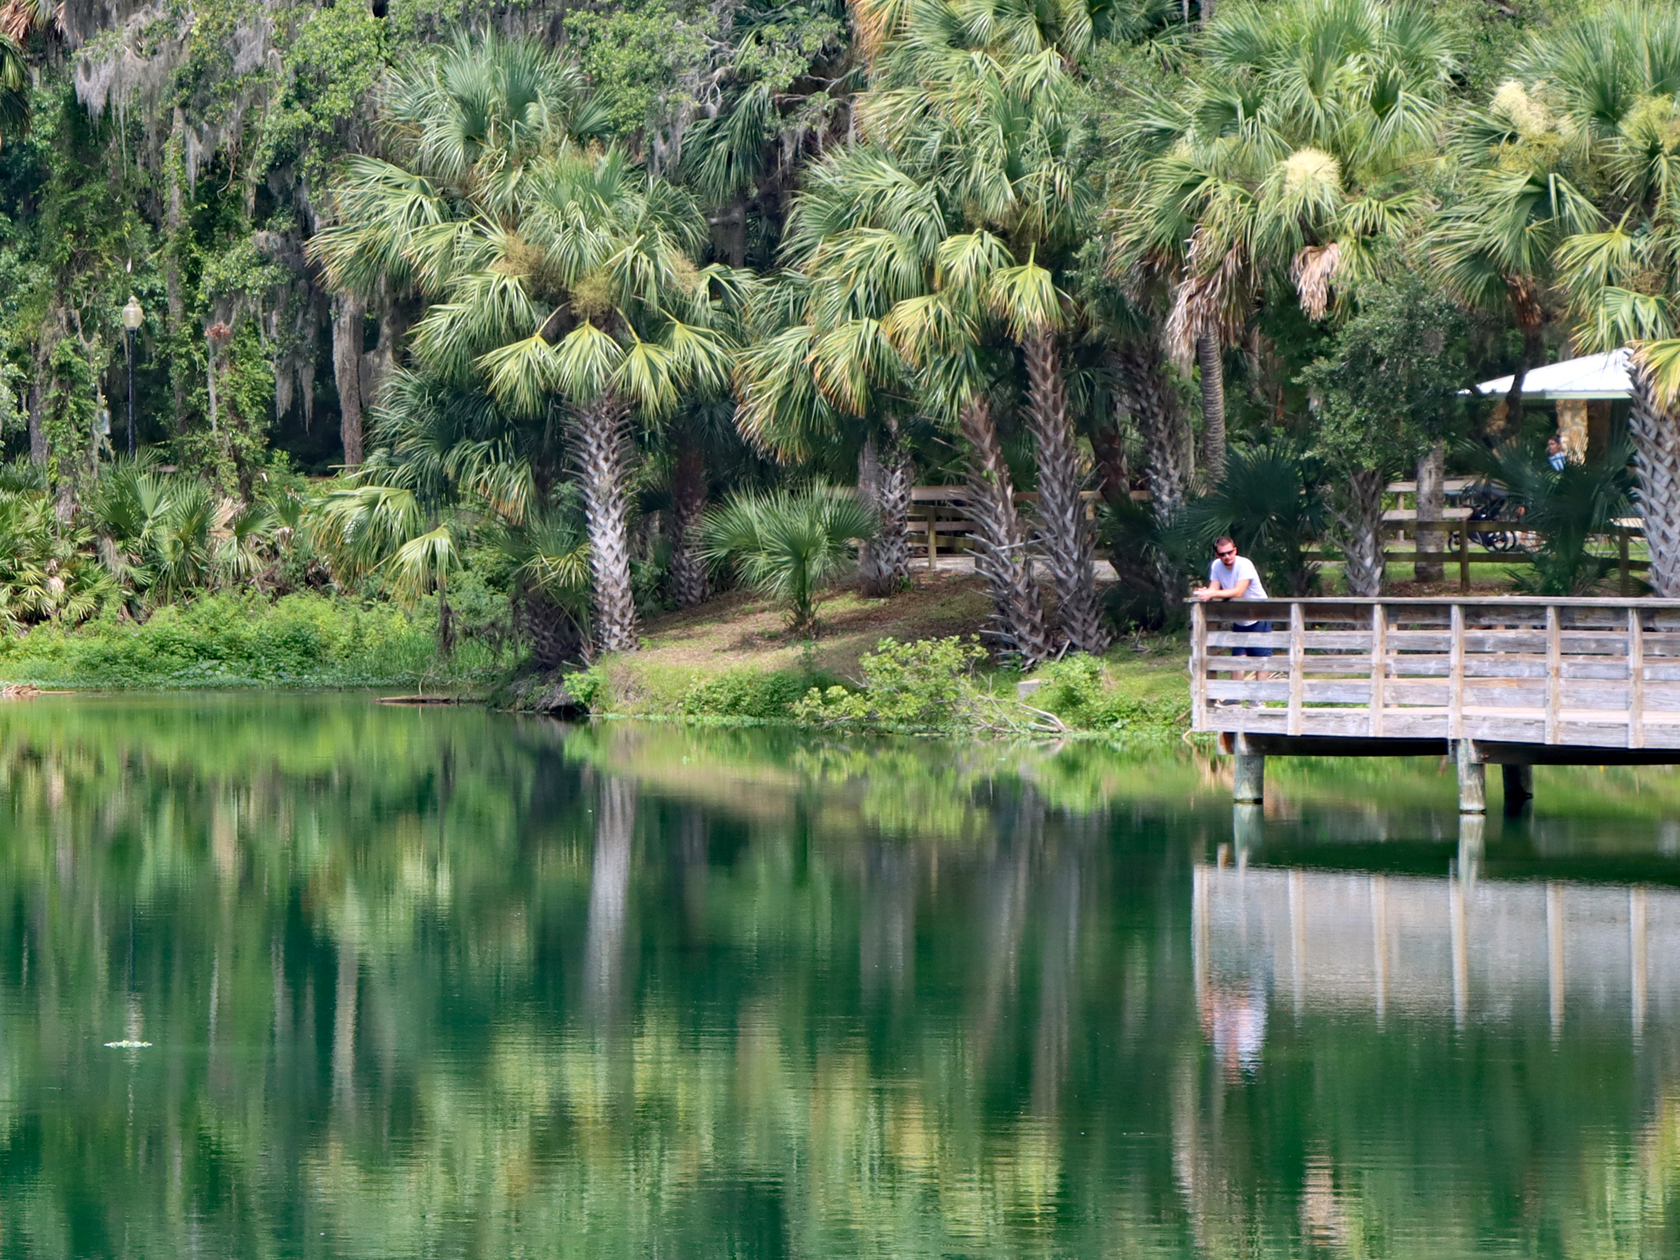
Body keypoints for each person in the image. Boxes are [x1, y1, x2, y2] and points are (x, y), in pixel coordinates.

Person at [1194, 537, 1272, 691]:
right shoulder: (1216, 566)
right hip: (1240, 617)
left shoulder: (1244, 564)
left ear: (1235, 550)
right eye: (1222, 554)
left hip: (1259, 615)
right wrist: (1206, 592)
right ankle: (1234, 696)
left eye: (1230, 552)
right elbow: (1214, 590)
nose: (1227, 557)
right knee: (1238, 658)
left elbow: (1238, 591)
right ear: (1217, 555)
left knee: (1261, 659)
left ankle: (1259, 698)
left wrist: (1212, 593)